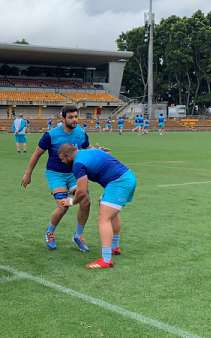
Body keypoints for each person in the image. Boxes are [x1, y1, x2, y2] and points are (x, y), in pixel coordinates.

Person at [21, 105, 91, 252]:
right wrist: (28, 173)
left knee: (85, 200)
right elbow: (37, 154)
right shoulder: (51, 135)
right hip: (55, 174)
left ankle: (78, 235)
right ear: (63, 118)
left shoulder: (81, 133)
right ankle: (50, 232)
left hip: (74, 174)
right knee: (63, 206)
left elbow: (87, 149)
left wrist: (98, 151)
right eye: (71, 117)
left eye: (76, 117)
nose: (74, 120)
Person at [58, 145, 136, 269]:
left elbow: (82, 191)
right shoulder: (88, 151)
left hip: (119, 183)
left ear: (67, 156)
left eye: (62, 159)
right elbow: (106, 156)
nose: (62, 162)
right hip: (127, 177)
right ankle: (114, 247)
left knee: (104, 219)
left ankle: (106, 260)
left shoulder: (77, 164)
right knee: (110, 212)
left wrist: (71, 201)